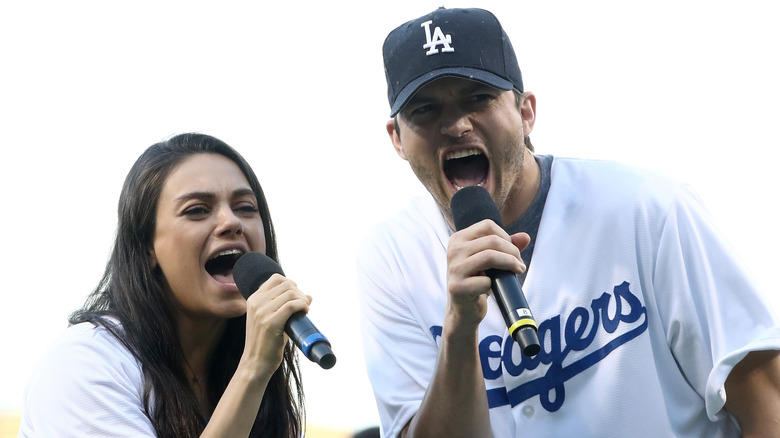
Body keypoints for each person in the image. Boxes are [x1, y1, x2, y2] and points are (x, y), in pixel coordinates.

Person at [356, 7, 780, 438]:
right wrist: (459, 328)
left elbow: (767, 400)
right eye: (426, 109)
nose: (456, 124)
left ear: (525, 112)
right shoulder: (391, 260)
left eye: (478, 97)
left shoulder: (647, 209)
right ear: (397, 139)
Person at [19, 133, 310, 437]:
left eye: (246, 207)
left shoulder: (255, 384)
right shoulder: (84, 366)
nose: (231, 221)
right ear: (147, 247)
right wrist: (252, 371)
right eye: (197, 210)